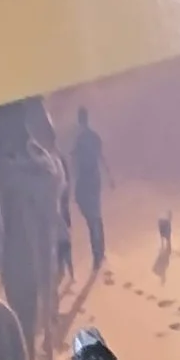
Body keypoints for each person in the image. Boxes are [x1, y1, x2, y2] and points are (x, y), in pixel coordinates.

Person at [69, 106, 107, 279]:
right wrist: (110, 175)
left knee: (92, 218)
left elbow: (75, 161)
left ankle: (97, 255)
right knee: (96, 215)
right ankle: (100, 252)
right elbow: (101, 157)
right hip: (95, 178)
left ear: (79, 120)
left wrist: (72, 182)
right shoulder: (93, 136)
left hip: (86, 179)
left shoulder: (81, 139)